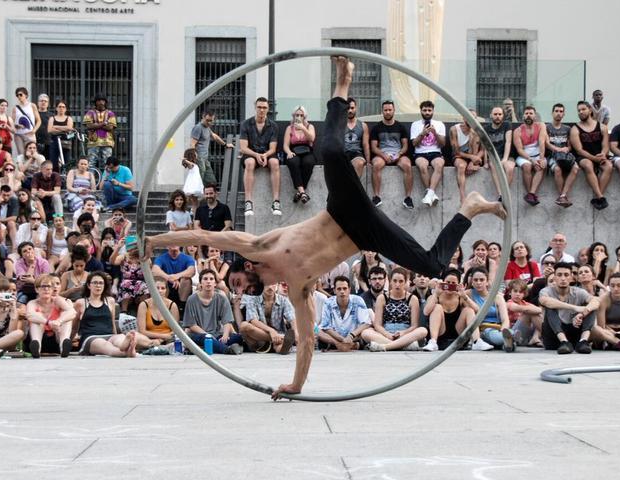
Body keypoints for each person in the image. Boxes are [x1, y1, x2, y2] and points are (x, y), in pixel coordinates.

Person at [145, 56, 505, 398]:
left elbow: (204, 235)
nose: (241, 290)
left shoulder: (259, 245)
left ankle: (342, 82)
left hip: (343, 211)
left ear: (248, 268)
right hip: (364, 235)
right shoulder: (299, 289)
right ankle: (470, 208)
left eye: (238, 284)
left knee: (332, 151)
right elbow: (305, 339)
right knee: (432, 266)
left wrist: (155, 240)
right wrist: (296, 384)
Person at [538, 262, 600, 354]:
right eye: (559, 275)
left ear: (571, 277)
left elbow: (596, 301)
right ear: (554, 277)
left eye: (566, 275)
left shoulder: (579, 292)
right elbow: (544, 301)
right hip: (553, 338)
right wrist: (575, 308)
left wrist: (583, 313)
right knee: (550, 307)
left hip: (573, 335)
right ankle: (564, 341)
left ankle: (583, 341)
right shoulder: (546, 291)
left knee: (591, 307)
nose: (563, 278)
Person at [362, 267, 428, 352]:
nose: (397, 284)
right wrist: (387, 334)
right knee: (366, 332)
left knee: (423, 331)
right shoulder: (382, 298)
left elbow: (414, 325)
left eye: (401, 281)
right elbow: (377, 324)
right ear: (390, 281)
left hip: (405, 333)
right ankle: (403, 346)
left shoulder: (412, 298)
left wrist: (403, 333)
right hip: (386, 333)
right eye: (395, 281)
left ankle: (386, 347)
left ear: (405, 282)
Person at [73, 271, 137, 358]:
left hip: (109, 335)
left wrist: (115, 334)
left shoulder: (110, 301)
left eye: (101, 283)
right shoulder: (80, 303)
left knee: (120, 338)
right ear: (89, 285)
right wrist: (69, 340)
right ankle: (129, 351)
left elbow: (112, 322)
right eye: (95, 283)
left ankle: (126, 346)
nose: (98, 285)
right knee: (106, 346)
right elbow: (74, 326)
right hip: (91, 337)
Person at [182, 268, 244, 354]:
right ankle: (228, 350)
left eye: (211, 279)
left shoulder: (222, 298)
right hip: (199, 335)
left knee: (239, 337)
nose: (208, 281)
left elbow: (227, 320)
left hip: (217, 335)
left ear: (215, 283)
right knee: (206, 339)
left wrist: (225, 335)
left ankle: (207, 348)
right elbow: (191, 325)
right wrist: (207, 335)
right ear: (200, 283)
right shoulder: (192, 299)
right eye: (205, 279)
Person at [239, 97, 281, 217]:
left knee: (274, 163)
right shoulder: (246, 124)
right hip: (251, 153)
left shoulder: (273, 126)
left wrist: (265, 155)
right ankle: (248, 202)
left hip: (267, 153)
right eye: (259, 107)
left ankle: (276, 202)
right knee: (250, 163)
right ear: (255, 107)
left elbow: (273, 148)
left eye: (264, 107)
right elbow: (243, 148)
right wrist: (256, 154)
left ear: (268, 109)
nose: (261, 110)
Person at [421, 269, 481, 351]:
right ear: (443, 282)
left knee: (468, 310)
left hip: (458, 335)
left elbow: (478, 311)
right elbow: (426, 312)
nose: (450, 285)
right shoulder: (435, 296)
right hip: (440, 335)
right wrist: (436, 294)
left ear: (458, 285)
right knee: (437, 307)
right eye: (447, 282)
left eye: (453, 283)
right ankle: (433, 342)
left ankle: (477, 341)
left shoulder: (461, 297)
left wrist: (464, 296)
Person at [369, 100, 413, 208]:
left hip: (398, 154)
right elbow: (374, 147)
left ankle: (408, 198)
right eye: (385, 110)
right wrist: (383, 155)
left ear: (394, 111)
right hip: (382, 154)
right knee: (376, 165)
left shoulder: (401, 127)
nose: (388, 112)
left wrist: (399, 154)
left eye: (390, 110)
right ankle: (376, 197)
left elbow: (405, 146)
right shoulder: (376, 128)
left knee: (407, 165)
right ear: (382, 112)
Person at [570, 101, 612, 209]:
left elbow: (606, 145)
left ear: (590, 110)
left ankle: (598, 197)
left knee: (609, 166)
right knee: (588, 165)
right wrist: (594, 158)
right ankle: (600, 196)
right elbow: (579, 150)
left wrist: (603, 154)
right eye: (579, 110)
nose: (581, 112)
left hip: (599, 155)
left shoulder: (602, 127)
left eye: (583, 109)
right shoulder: (575, 129)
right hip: (583, 157)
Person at [237, 282, 297, 354]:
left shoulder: (283, 300)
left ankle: (283, 347)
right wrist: (271, 331)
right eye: (267, 284)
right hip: (259, 339)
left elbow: (292, 319)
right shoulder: (253, 299)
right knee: (244, 326)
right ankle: (283, 339)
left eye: (273, 284)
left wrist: (296, 333)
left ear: (277, 285)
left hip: (278, 338)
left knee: (280, 347)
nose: (270, 287)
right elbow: (253, 320)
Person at [26, 274, 76, 358]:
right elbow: (30, 315)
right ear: (37, 289)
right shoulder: (32, 303)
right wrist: (48, 322)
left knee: (66, 316)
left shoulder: (58, 300)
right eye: (43, 286)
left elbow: (72, 312)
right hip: (38, 338)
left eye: (48, 286)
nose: (46, 289)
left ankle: (64, 345)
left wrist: (59, 321)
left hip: (56, 338)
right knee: (36, 320)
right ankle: (36, 347)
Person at [316, 275, 371, 352]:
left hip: (354, 336)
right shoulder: (328, 302)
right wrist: (342, 340)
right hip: (335, 338)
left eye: (345, 288)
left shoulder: (358, 300)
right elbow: (326, 327)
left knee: (366, 331)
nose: (342, 291)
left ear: (349, 289)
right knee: (316, 330)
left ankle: (347, 345)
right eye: (339, 289)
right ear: (334, 290)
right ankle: (341, 345)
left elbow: (366, 323)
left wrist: (351, 335)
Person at [467, 267, 514, 351]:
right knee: (493, 334)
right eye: (475, 280)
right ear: (472, 282)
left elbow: (505, 319)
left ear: (487, 282)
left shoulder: (497, 297)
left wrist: (503, 331)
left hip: (498, 328)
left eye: (482, 280)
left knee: (505, 333)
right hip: (483, 330)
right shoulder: (469, 294)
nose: (478, 283)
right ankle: (512, 339)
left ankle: (508, 342)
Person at [410, 100, 446, 207]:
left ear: (433, 111)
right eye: (424, 110)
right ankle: (432, 194)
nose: (427, 112)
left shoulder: (439, 124)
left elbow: (442, 144)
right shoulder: (415, 125)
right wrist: (422, 134)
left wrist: (435, 133)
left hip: (436, 152)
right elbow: (414, 144)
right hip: (420, 153)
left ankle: (429, 193)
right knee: (422, 166)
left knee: (439, 164)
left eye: (429, 110)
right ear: (421, 111)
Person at [513, 105, 548, 206]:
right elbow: (519, 149)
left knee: (542, 166)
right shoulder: (517, 131)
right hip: (524, 156)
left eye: (531, 113)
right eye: (526, 114)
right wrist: (531, 160)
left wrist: (541, 159)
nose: (528, 116)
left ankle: (531, 194)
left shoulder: (541, 126)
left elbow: (542, 143)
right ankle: (530, 193)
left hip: (538, 155)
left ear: (535, 116)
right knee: (527, 166)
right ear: (523, 116)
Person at [190, 109, 233, 187]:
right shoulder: (198, 128)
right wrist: (194, 157)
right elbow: (192, 144)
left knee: (211, 182)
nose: (209, 123)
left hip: (205, 159)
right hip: (199, 159)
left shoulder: (207, 127)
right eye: (208, 120)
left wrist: (225, 145)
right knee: (199, 181)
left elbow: (215, 137)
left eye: (211, 121)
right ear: (203, 117)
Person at [546, 103, 578, 207]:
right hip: (552, 156)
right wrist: (559, 149)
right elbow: (546, 144)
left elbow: (570, 146)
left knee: (576, 168)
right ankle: (562, 196)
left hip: (565, 156)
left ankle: (563, 196)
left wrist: (566, 149)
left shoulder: (568, 129)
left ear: (564, 114)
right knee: (557, 170)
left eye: (561, 112)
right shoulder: (547, 127)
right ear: (552, 113)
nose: (558, 114)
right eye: (556, 111)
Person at [283, 106, 317, 204]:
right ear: (293, 116)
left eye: (301, 115)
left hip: (307, 151)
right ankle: (303, 192)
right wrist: (289, 152)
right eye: (297, 115)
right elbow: (285, 145)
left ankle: (299, 192)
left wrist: (303, 128)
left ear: (304, 117)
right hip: (294, 151)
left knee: (308, 162)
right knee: (293, 162)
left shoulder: (310, 126)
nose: (299, 117)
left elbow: (312, 139)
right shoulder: (290, 128)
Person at [450, 111, 485, 203]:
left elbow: (482, 150)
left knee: (475, 134)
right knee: (461, 166)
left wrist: (472, 162)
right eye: (469, 117)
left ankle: (474, 165)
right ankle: (462, 197)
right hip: (459, 156)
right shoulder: (454, 129)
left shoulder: (478, 130)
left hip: (474, 156)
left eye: (474, 118)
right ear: (463, 117)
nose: (471, 120)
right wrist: (472, 158)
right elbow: (456, 151)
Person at [136, 277, 180, 346]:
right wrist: (162, 337)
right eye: (157, 288)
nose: (160, 291)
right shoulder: (143, 305)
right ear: (151, 289)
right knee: (135, 336)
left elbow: (175, 330)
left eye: (163, 288)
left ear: (166, 290)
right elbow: (142, 331)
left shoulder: (172, 306)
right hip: (148, 339)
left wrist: (161, 340)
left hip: (168, 340)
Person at [483, 106, 516, 195]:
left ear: (503, 116)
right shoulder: (486, 128)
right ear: (491, 115)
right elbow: (486, 146)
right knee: (494, 167)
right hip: (494, 157)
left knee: (509, 168)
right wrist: (485, 162)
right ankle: (500, 194)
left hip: (507, 155)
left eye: (500, 114)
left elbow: (508, 142)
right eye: (495, 114)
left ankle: (505, 192)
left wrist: (505, 159)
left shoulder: (507, 125)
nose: (498, 116)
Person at [343, 97, 371, 190]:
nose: (350, 110)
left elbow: (365, 144)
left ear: (356, 108)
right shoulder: (339, 125)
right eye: (347, 108)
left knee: (359, 163)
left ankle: (350, 190)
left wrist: (368, 161)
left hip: (356, 153)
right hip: (343, 153)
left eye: (352, 108)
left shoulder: (363, 125)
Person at [83, 95, 116, 170]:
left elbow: (110, 127)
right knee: (91, 163)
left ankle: (106, 181)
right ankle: (91, 181)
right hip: (93, 142)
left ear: (105, 102)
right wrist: (103, 124)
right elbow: (88, 126)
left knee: (108, 164)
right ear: (95, 102)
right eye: (99, 100)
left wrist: (95, 125)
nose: (101, 102)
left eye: (103, 100)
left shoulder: (110, 113)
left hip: (107, 142)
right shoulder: (90, 113)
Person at [11, 87, 41, 156]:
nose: (19, 96)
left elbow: (39, 120)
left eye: (20, 94)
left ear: (26, 95)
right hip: (19, 134)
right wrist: (16, 125)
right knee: (21, 155)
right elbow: (12, 122)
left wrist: (34, 130)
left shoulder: (32, 105)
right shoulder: (15, 108)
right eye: (17, 95)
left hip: (30, 133)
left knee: (32, 154)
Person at [47, 100, 75, 168]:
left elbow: (70, 128)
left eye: (63, 107)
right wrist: (64, 129)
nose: (61, 108)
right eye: (59, 107)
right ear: (56, 108)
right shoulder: (52, 118)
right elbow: (50, 130)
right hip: (54, 142)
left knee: (66, 161)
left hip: (66, 142)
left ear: (66, 109)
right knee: (53, 162)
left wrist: (56, 127)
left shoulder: (69, 118)